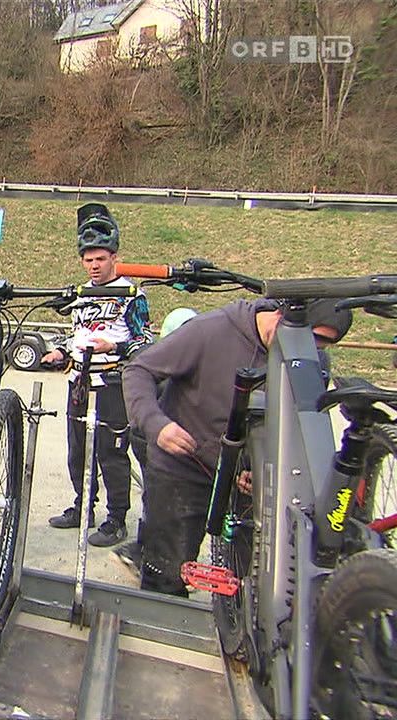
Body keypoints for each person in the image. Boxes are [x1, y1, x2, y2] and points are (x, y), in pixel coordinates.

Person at [124, 298, 353, 596]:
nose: (310, 348)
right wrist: (156, 424)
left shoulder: (311, 361)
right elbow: (138, 370)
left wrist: (260, 467)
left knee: (255, 583)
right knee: (167, 573)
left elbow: (299, 425)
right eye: (307, 337)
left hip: (246, 475)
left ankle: (236, 617)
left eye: (322, 344)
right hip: (184, 465)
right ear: (280, 315)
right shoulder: (211, 330)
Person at [40, 203, 152, 548]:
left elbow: (145, 340)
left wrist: (114, 346)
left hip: (112, 383)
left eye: (100, 259)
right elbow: (78, 332)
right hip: (79, 382)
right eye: (88, 259)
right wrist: (61, 350)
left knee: (111, 452)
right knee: (77, 451)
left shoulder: (132, 295)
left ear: (114, 257)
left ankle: (116, 519)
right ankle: (83, 507)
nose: (94, 265)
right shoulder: (80, 293)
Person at [112, 307, 198, 574]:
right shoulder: (169, 364)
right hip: (156, 441)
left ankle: (153, 555)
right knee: (159, 497)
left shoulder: (164, 359)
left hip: (163, 442)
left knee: (161, 498)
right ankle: (149, 554)